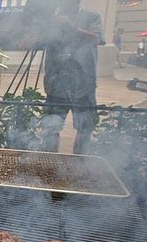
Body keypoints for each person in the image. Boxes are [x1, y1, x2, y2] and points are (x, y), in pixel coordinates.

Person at [40, 0, 104, 154]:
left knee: (85, 128)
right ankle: (50, 162)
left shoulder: (91, 17)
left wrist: (70, 27)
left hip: (83, 84)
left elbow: (97, 38)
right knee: (50, 128)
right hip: (56, 84)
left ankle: (80, 163)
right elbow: (38, 41)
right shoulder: (53, 20)